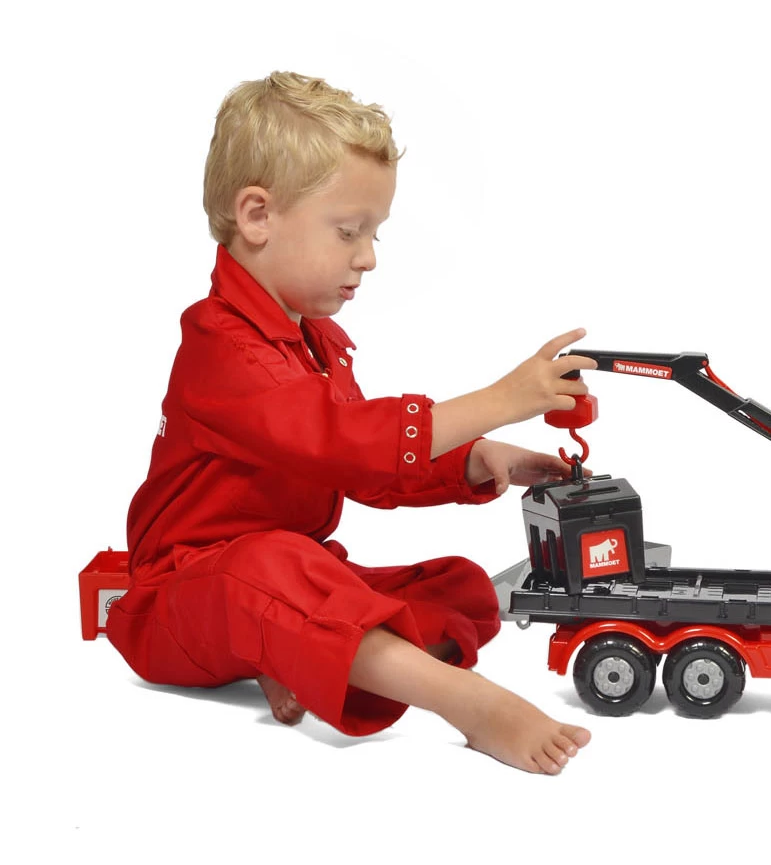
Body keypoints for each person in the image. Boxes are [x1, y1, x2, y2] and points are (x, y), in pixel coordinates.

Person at [106, 70, 596, 776]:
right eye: (348, 232)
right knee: (269, 569)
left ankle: (301, 657)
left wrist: (474, 458)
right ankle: (466, 702)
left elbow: (360, 466)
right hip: (180, 600)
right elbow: (346, 442)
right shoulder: (221, 348)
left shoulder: (312, 342)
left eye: (373, 234)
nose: (367, 257)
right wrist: (500, 398)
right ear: (257, 216)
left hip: (288, 578)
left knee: (457, 587)